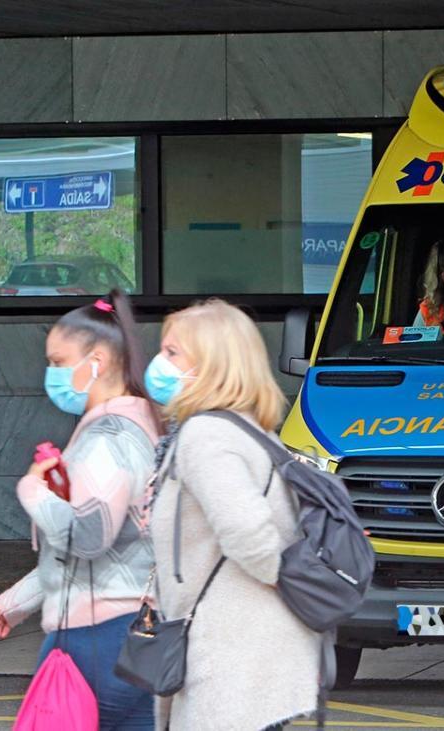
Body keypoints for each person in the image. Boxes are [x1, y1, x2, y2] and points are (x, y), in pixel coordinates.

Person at [0, 289, 160, 731]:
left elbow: (87, 537)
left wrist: (32, 489)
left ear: (96, 361)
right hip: (137, 633)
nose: (52, 374)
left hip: (98, 638)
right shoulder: (144, 428)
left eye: (60, 362)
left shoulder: (108, 439)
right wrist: (20, 600)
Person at [147, 299, 320, 731]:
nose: (158, 363)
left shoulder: (208, 435)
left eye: (172, 353)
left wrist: (277, 581)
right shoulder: (247, 431)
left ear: (213, 364)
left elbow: (249, 532)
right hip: (247, 649)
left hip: (229, 653)